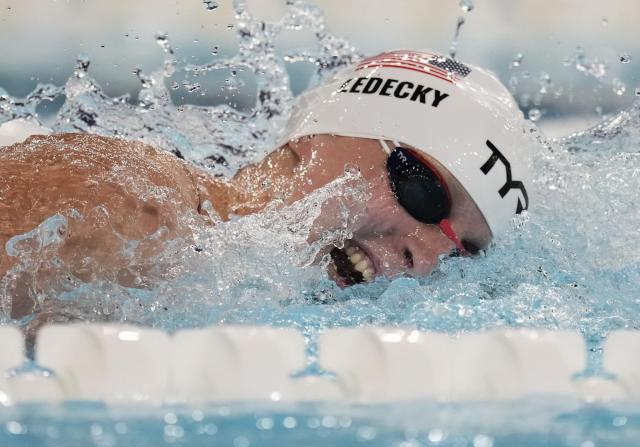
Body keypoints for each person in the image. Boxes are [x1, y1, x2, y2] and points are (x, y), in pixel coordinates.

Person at [0, 49, 531, 299]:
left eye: (464, 250)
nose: (428, 259)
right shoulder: (134, 208)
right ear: (317, 138)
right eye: (423, 191)